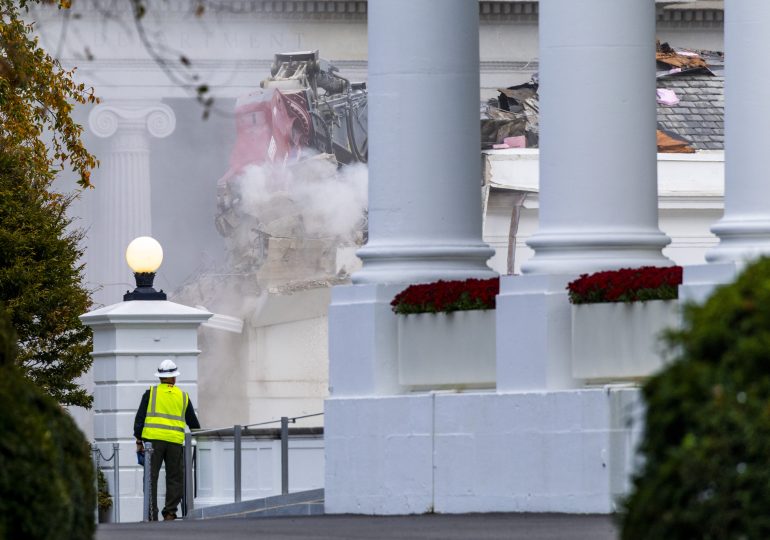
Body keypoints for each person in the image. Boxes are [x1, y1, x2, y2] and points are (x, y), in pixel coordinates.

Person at [134, 359, 200, 521]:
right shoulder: (183, 396)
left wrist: (138, 441)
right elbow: (194, 424)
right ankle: (170, 512)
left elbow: (139, 419)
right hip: (175, 443)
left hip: (152, 443)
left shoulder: (150, 393)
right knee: (175, 478)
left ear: (160, 378)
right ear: (174, 378)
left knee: (151, 478)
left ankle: (151, 513)